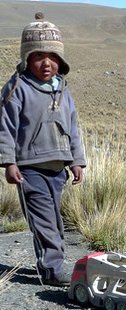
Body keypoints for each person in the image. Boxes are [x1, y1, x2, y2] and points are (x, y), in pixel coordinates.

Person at [0, 13, 86, 287]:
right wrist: (8, 162)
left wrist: (77, 161)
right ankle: (52, 269)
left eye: (52, 56)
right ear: (27, 59)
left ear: (60, 60)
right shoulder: (17, 88)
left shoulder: (63, 90)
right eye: (38, 56)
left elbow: (72, 126)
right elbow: (5, 127)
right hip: (29, 169)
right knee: (44, 220)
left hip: (57, 168)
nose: (46, 62)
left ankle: (53, 262)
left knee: (56, 220)